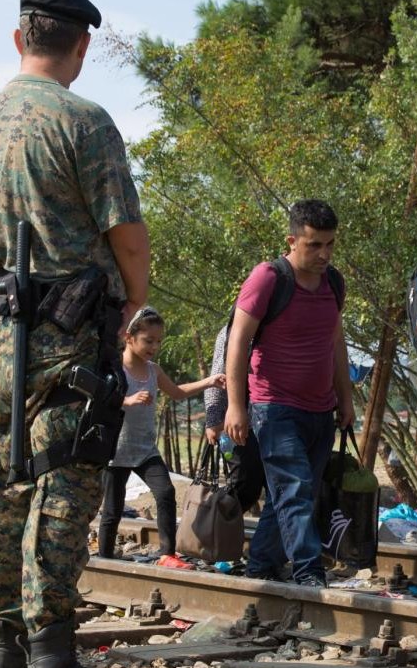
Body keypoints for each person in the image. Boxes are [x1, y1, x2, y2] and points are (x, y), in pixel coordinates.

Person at [0, 0, 149, 668]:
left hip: (3, 326)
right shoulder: (84, 120)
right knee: (65, 483)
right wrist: (135, 298)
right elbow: (124, 230)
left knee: (7, 482)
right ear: (78, 48)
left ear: (20, 40)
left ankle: (4, 651)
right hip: (68, 329)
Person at [222, 200, 356, 587]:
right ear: (292, 240)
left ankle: (262, 564)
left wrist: (345, 398)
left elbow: (336, 343)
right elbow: (238, 342)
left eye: (330, 244)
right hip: (274, 406)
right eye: (314, 245)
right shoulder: (268, 278)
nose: (324, 254)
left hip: (320, 409)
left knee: (294, 494)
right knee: (294, 490)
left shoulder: (333, 282)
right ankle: (309, 572)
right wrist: (235, 405)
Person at [96, 306, 226, 565]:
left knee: (165, 492)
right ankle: (105, 558)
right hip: (116, 451)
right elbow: (101, 400)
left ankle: (167, 553)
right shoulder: (115, 368)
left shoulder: (153, 371)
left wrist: (209, 382)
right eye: (148, 340)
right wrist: (127, 400)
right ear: (129, 338)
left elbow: (177, 392)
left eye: (158, 342)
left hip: (145, 449)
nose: (153, 346)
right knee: (112, 509)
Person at [203, 322, 265, 513]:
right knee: (246, 484)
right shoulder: (233, 329)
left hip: (273, 421)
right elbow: (219, 375)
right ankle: (217, 526)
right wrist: (213, 420)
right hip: (238, 422)